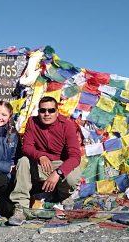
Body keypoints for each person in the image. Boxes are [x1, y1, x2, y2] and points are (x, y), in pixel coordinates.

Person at [8, 96, 82, 226]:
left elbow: (75, 156)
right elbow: (27, 147)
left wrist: (58, 173)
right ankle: (21, 208)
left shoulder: (67, 125)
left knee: (73, 175)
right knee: (23, 161)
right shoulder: (32, 122)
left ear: (57, 112)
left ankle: (64, 195)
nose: (47, 114)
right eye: (43, 111)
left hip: (60, 164)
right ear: (39, 112)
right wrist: (40, 156)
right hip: (40, 164)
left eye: (51, 110)